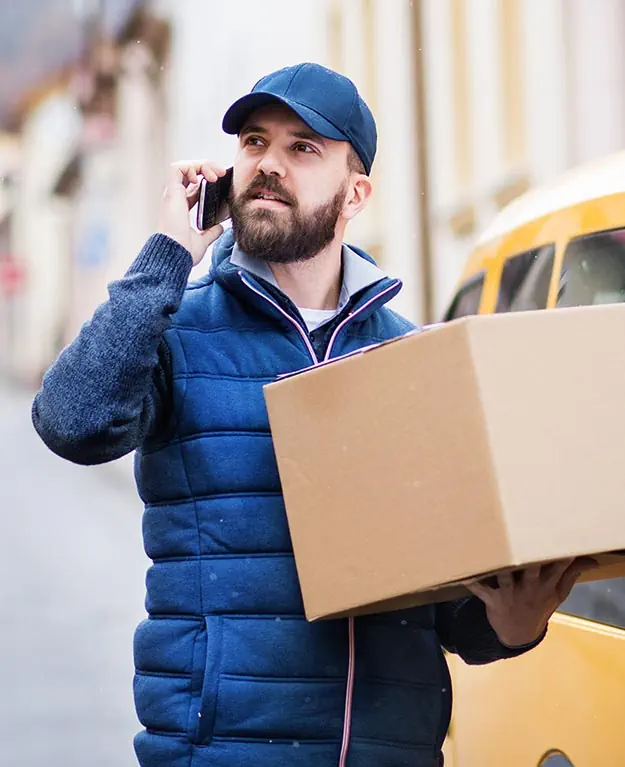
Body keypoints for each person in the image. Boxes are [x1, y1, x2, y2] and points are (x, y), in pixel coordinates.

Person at [32, 62, 593, 767]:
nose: (268, 164)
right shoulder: (175, 333)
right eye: (254, 143)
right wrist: (169, 253)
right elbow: (70, 421)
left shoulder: (410, 358)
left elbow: (448, 609)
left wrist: (511, 625)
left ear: (355, 192)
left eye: (302, 148)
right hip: (220, 752)